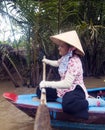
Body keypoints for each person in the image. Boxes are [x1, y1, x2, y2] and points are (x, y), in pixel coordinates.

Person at [37, 30, 105, 119]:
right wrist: (46, 61)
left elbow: (67, 84)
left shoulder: (75, 61)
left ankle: (93, 102)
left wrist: (47, 83)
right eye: (59, 46)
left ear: (70, 48)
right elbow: (57, 63)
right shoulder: (65, 58)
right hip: (63, 90)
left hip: (75, 89)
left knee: (68, 105)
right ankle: (62, 99)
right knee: (39, 90)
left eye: (62, 46)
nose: (59, 48)